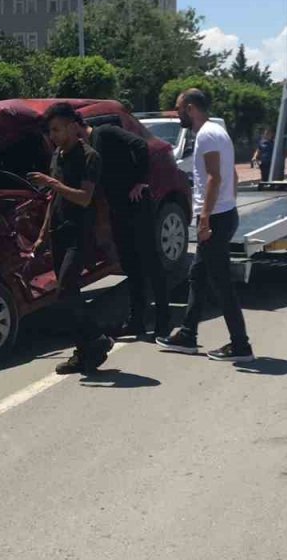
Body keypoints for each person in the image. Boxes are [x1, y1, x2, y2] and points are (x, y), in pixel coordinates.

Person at [156, 89, 254, 363]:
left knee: (221, 283)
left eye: (178, 109)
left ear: (190, 108)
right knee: (197, 277)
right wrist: (227, 204)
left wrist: (206, 217)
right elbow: (231, 174)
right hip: (223, 213)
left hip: (215, 218)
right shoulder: (217, 131)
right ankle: (188, 334)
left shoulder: (207, 135)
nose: (177, 114)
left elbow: (214, 177)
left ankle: (240, 344)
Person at [30, 103, 114, 375]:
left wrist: (51, 183)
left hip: (80, 233)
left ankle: (97, 337)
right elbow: (54, 199)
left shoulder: (90, 157)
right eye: (50, 131)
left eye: (56, 129)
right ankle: (85, 351)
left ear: (71, 126)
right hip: (58, 232)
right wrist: (43, 234)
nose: (52, 135)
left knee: (66, 288)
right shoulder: (57, 156)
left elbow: (84, 197)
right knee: (67, 294)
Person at [89, 119, 171, 340]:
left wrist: (140, 181)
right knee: (130, 265)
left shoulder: (105, 132)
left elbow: (140, 145)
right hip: (118, 209)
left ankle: (164, 321)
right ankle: (136, 321)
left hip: (137, 205)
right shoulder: (88, 146)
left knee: (150, 261)